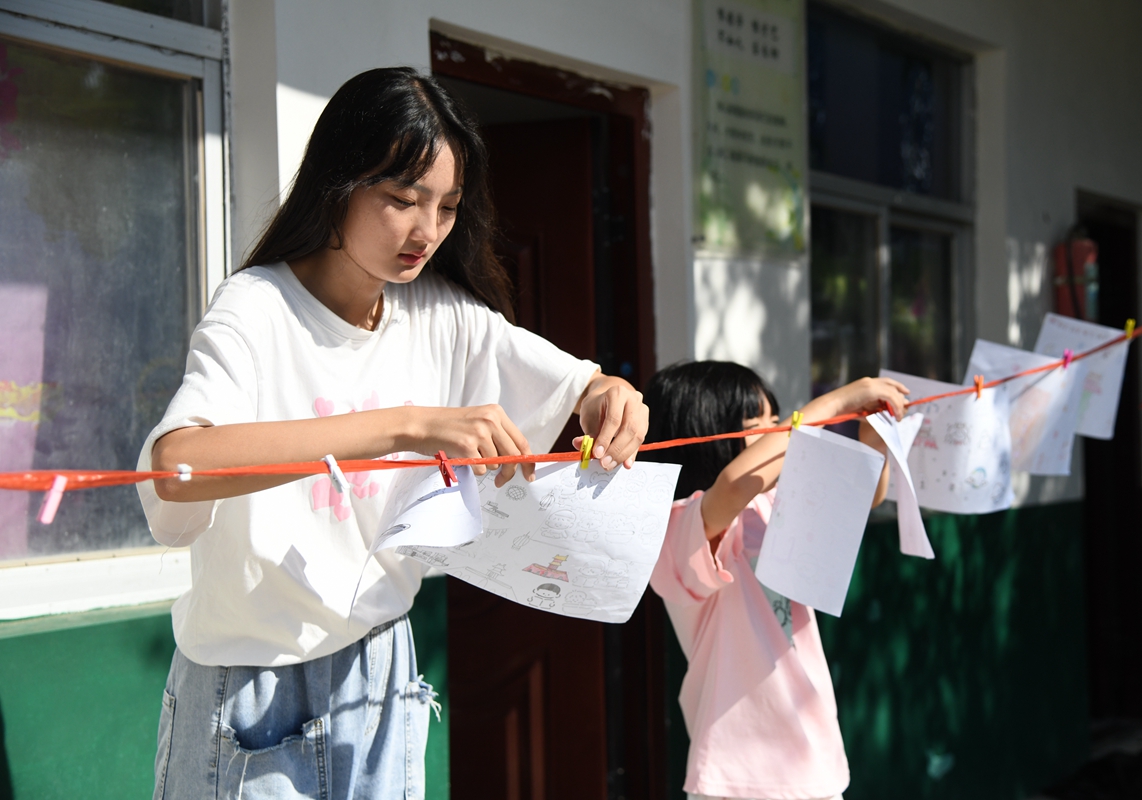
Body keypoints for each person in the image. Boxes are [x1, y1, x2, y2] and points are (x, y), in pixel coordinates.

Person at [137, 67, 648, 799]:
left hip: (381, 667)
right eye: (402, 199)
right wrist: (405, 426)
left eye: (447, 206)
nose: (427, 232)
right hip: (252, 682)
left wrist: (611, 393)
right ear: (337, 183)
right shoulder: (254, 310)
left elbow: (575, 386)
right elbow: (175, 468)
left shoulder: (442, 312)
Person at [641, 361, 908, 800]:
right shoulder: (676, 528)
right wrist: (835, 402)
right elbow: (731, 485)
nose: (776, 432)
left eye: (775, 419)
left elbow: (861, 501)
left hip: (813, 760)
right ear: (703, 431)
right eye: (755, 423)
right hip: (737, 773)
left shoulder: (770, 505)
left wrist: (874, 438)